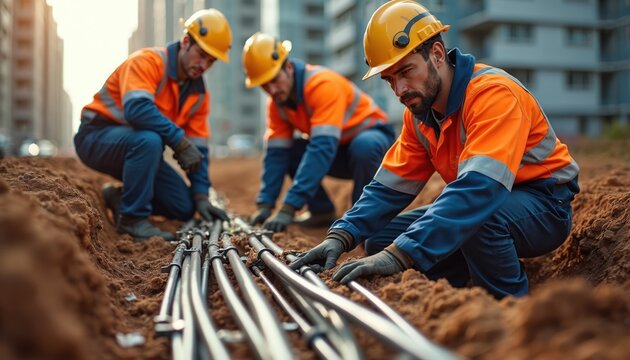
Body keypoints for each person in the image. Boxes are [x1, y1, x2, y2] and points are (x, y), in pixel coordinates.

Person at [290, 0, 580, 299]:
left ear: (437, 55)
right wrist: (342, 234)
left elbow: (479, 189)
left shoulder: (493, 94)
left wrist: (402, 254)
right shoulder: (419, 115)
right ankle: (471, 270)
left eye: (405, 72)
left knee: (478, 220)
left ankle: (507, 303)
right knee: (380, 240)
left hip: (544, 205)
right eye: (389, 79)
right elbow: (389, 187)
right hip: (485, 200)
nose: (399, 90)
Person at [74, 9, 232, 241]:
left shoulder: (199, 94)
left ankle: (119, 197)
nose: (204, 65)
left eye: (211, 60)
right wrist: (179, 141)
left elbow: (198, 149)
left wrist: (200, 196)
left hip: (139, 147)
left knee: (183, 207)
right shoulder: (147, 61)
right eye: (201, 54)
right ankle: (132, 220)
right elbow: (137, 110)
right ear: (186, 42)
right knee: (150, 139)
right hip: (96, 137)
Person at [241, 32, 396, 232]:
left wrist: (289, 206)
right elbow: (276, 155)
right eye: (264, 85)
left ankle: (363, 219)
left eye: (274, 79)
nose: (271, 90)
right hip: (339, 149)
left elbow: (322, 147)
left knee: (363, 146)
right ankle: (321, 211)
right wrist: (265, 204)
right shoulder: (277, 105)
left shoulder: (322, 84)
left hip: (374, 140)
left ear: (287, 67)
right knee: (290, 151)